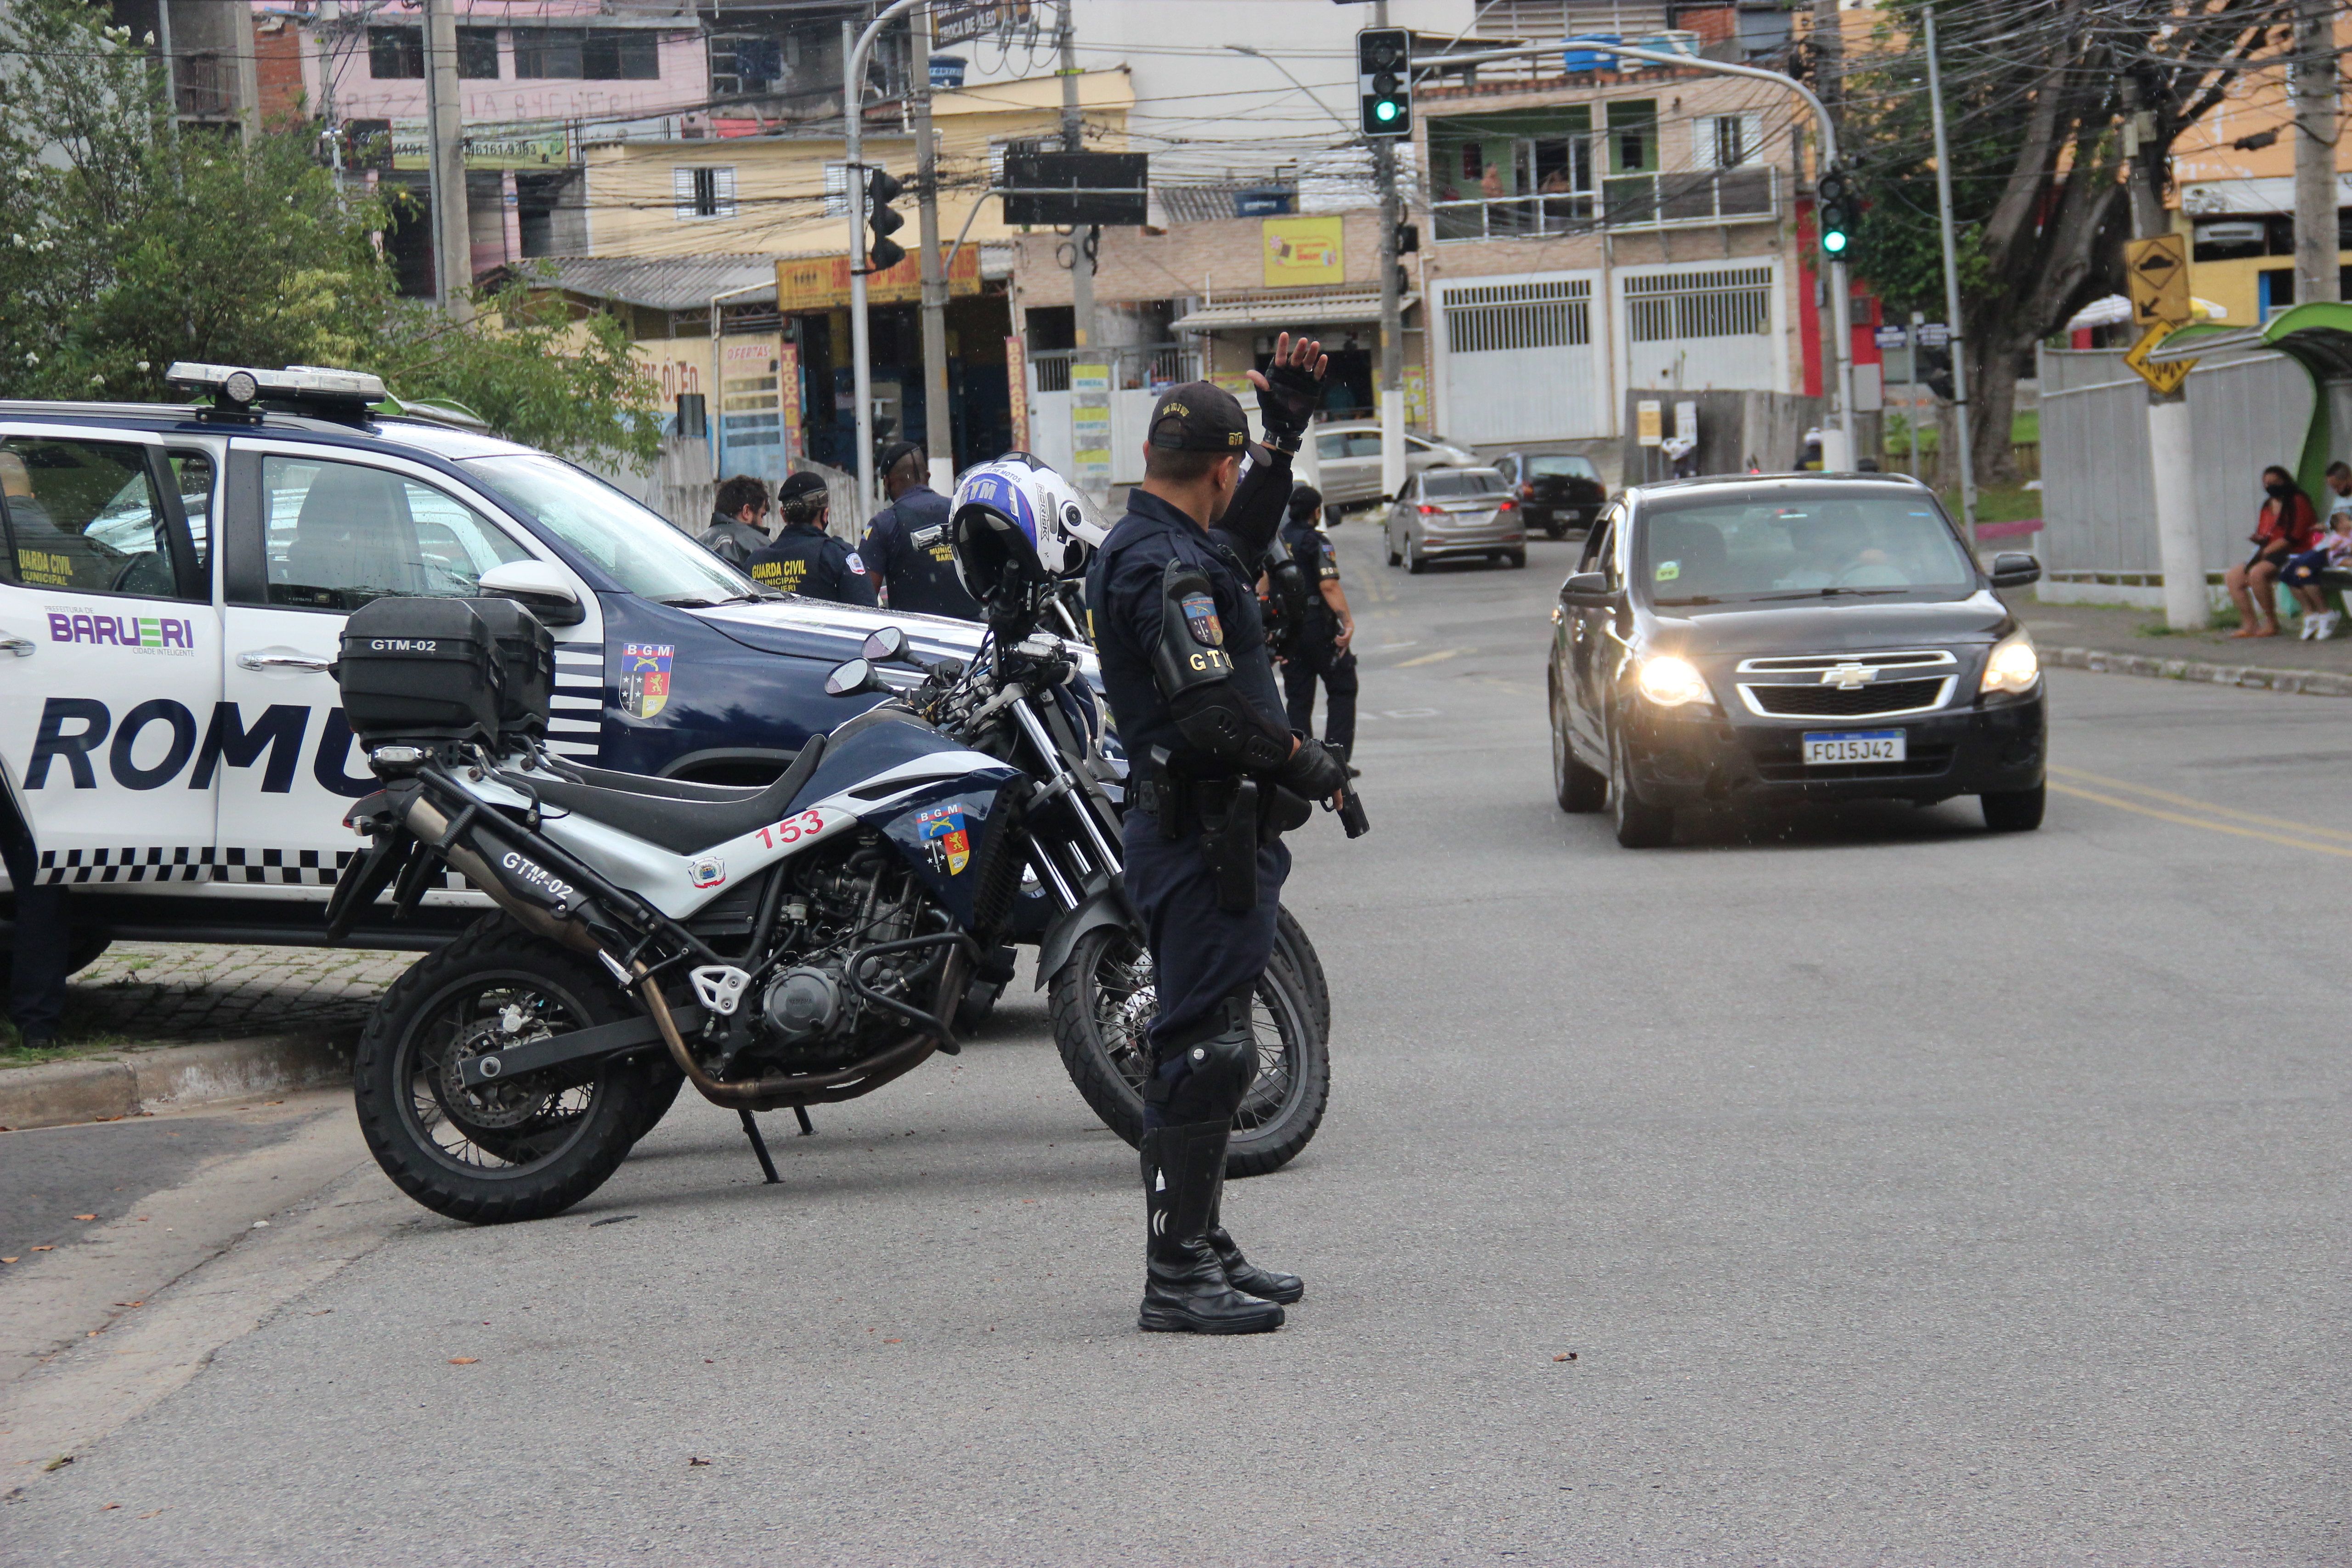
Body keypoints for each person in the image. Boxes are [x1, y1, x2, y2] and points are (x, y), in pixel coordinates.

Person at [1084, 334, 1346, 1336]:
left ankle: (1200, 1238)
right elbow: (1209, 714)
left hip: (1212, 834)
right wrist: (1304, 758)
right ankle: (1176, 1268)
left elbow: (1231, 547)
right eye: (1242, 461)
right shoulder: (1156, 565)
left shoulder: (1174, 543)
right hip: (1194, 834)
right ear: (1215, 465)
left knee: (1217, 1041)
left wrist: (1281, 440)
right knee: (1202, 1050)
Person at [1277, 485, 1359, 769]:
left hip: (1288, 627)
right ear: (1316, 511)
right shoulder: (1317, 542)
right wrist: (1347, 623)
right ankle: (1336, 760)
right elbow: (1329, 585)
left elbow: (1263, 581)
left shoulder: (1278, 540)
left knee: (1298, 696)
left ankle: (1303, 763)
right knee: (1342, 686)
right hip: (1316, 626)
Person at [862, 441, 979, 620]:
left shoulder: (883, 525)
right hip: (970, 638)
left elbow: (864, 596)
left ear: (887, 482)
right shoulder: (962, 511)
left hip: (917, 640)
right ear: (928, 476)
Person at [746, 471, 876, 606]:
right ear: (825, 514)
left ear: (783, 515)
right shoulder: (838, 555)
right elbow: (866, 613)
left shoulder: (755, 561)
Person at [2224, 465, 2317, 639]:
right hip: (2268, 552)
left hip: (2292, 552)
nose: (2271, 487)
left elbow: (2294, 536)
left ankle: (2271, 622)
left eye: (2276, 482)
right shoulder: (2267, 505)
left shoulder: (2298, 500)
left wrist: (2267, 550)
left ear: (2285, 481)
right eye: (2267, 484)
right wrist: (2260, 540)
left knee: (2257, 574)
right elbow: (2265, 531)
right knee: (2233, 577)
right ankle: (2250, 623)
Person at [2283, 491, 2352, 639]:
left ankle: (2325, 612)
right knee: (2289, 572)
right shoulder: (2336, 529)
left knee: (2304, 571)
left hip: (2324, 553)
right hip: (2319, 549)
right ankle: (2310, 614)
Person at [699, 474, 773, 569]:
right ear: (746, 511)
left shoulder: (693, 545)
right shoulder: (759, 545)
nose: (762, 523)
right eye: (762, 516)